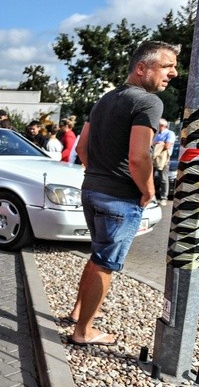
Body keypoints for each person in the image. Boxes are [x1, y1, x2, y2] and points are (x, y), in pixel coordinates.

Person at [66, 40, 179, 346]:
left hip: (92, 190)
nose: (174, 73)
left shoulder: (103, 100)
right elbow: (139, 156)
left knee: (98, 255)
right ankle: (83, 331)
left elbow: (81, 147)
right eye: (167, 66)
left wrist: (98, 174)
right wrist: (148, 189)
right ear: (142, 68)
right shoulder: (148, 103)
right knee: (106, 263)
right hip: (119, 197)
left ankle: (79, 312)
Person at [152, 118, 176, 205]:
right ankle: (151, 196)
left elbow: (167, 146)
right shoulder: (156, 134)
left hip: (163, 159)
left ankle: (163, 198)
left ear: (162, 126)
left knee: (163, 179)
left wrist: (159, 143)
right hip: (153, 158)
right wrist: (159, 143)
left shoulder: (170, 133)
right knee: (150, 178)